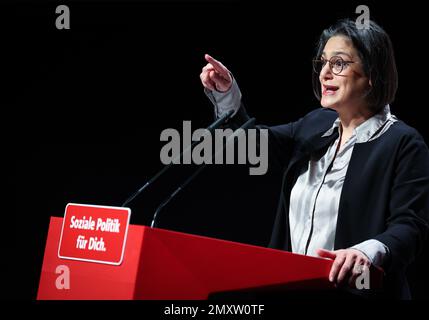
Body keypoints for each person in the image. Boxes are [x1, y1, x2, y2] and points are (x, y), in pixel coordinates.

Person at [199, 19, 429, 299]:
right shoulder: (315, 125)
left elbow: (410, 226)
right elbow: (251, 146)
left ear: (372, 73)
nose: (324, 74)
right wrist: (226, 95)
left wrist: (366, 251)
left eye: (339, 63)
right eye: (322, 63)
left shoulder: (402, 142)